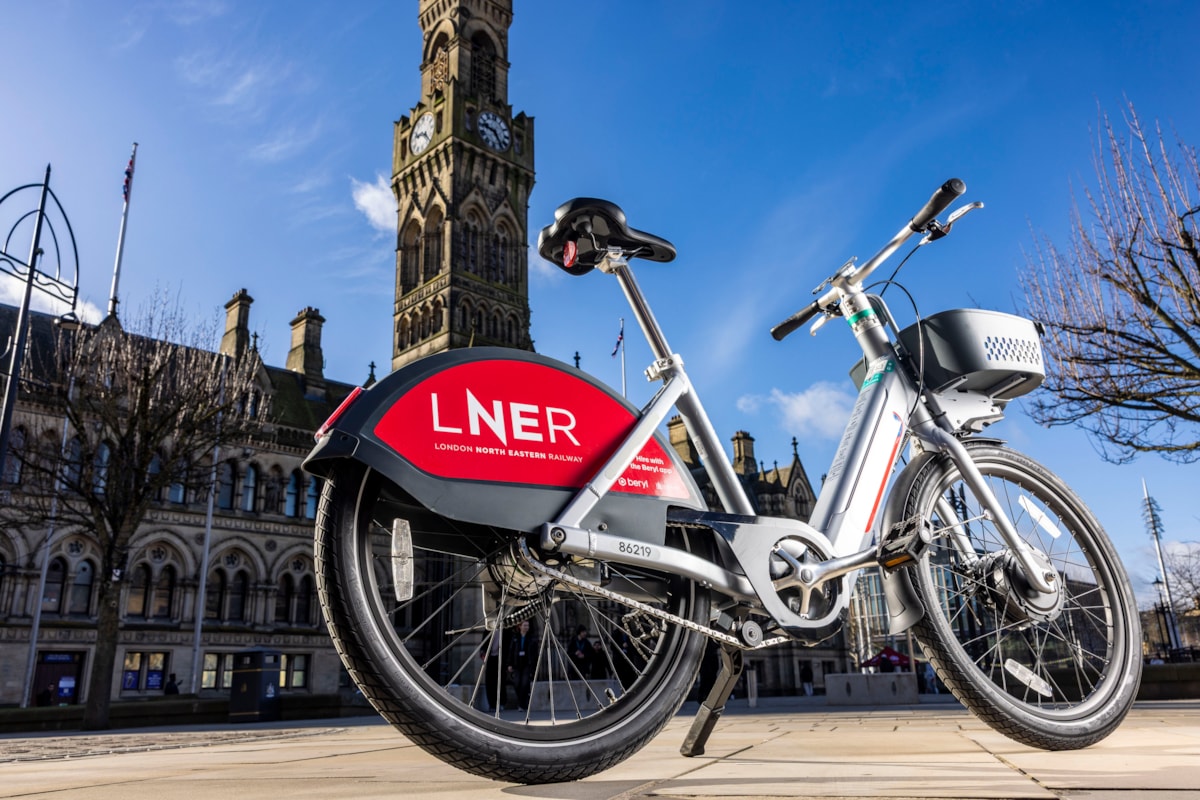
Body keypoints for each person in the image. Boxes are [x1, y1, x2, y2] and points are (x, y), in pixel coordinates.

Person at [507, 620, 536, 710]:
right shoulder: (515, 637)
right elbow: (511, 651)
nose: (526, 627)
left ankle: (522, 704)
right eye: (525, 625)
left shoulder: (531, 638)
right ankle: (521, 703)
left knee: (524, 684)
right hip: (517, 664)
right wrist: (509, 664)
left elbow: (534, 653)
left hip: (527, 664)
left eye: (527, 625)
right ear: (520, 626)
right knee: (517, 684)